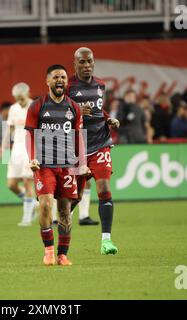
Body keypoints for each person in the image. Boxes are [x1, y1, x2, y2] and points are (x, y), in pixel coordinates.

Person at [25, 64, 90, 266]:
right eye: (55, 77)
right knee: (45, 205)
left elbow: (79, 137)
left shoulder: (74, 108)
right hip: (44, 164)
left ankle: (63, 255)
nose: (60, 80)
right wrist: (32, 157)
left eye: (63, 77)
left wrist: (82, 164)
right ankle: (49, 251)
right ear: (48, 81)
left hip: (67, 165)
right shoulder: (37, 105)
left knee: (65, 210)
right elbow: (29, 134)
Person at [67, 47, 120, 255]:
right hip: (77, 147)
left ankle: (106, 241)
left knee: (104, 189)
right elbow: (57, 113)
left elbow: (99, 109)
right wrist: (77, 112)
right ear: (75, 64)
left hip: (100, 143)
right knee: (74, 198)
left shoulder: (100, 85)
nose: (87, 66)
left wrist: (108, 118)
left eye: (89, 62)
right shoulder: (68, 86)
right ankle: (59, 236)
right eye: (82, 62)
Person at [1, 83, 36, 226]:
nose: (19, 101)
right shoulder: (14, 109)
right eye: (17, 98)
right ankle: (32, 203)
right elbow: (9, 129)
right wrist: (3, 147)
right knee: (12, 184)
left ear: (27, 94)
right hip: (16, 150)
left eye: (21, 98)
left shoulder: (35, 107)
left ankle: (27, 218)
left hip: (30, 149)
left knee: (28, 182)